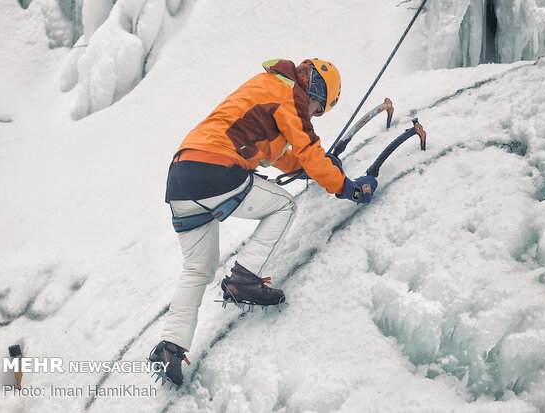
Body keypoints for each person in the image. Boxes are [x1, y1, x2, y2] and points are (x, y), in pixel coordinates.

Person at [148, 58, 378, 386]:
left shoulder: (268, 89)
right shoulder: (289, 96)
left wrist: (316, 167)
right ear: (315, 90)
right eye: (319, 109)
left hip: (182, 174)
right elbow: (308, 148)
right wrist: (347, 187)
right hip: (215, 167)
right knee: (284, 206)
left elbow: (282, 156)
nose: (314, 115)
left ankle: (170, 348)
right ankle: (245, 277)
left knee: (198, 269)